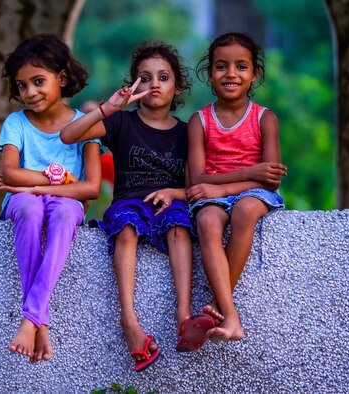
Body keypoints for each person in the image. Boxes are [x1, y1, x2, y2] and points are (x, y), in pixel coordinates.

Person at [61, 41, 204, 371]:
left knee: (180, 226)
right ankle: (130, 322)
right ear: (134, 83)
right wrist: (109, 108)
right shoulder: (121, 123)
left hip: (171, 203)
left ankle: (184, 316)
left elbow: (194, 186)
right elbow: (69, 135)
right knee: (125, 227)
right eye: (145, 77)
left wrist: (175, 193)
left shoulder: (186, 132)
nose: (154, 84)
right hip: (129, 202)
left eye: (163, 77)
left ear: (177, 86)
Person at [0, 33, 101, 363]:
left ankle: (31, 320)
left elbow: (91, 187)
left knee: (64, 213)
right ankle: (39, 320)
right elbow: (10, 174)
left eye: (38, 81)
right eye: (22, 86)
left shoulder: (85, 125)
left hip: (66, 204)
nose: (30, 92)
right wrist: (58, 180)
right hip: (25, 200)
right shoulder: (17, 123)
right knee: (27, 207)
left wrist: (38, 185)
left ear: (62, 78)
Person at [186, 32, 287, 343]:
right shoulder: (199, 121)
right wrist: (246, 174)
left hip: (255, 194)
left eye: (241, 66)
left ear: (254, 74)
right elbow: (198, 178)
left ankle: (221, 309)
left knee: (244, 210)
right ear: (209, 74)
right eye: (221, 66)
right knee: (206, 220)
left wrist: (225, 188)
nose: (231, 74)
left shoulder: (264, 119)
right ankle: (230, 317)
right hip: (215, 194)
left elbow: (270, 178)